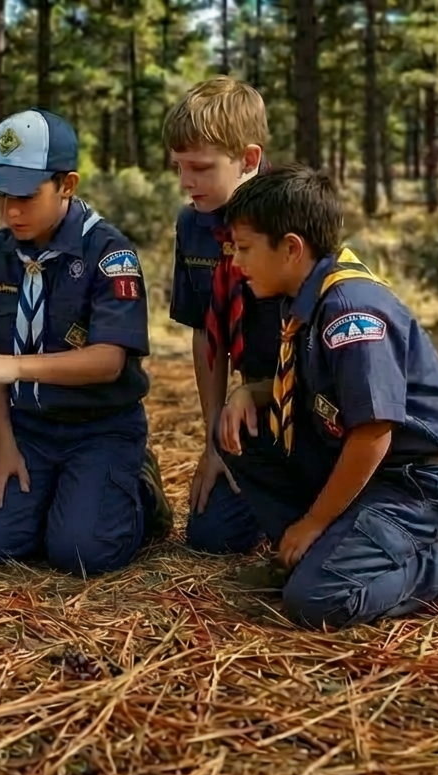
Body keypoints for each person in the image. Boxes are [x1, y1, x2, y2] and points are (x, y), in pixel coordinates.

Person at [214, 164, 438, 629]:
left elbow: (374, 433)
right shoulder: (304, 292)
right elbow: (314, 390)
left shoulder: (350, 311)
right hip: (360, 462)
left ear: (291, 249)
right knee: (242, 434)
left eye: (245, 249)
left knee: (319, 600)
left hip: (416, 478)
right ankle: (312, 556)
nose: (236, 264)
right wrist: (251, 392)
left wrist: (315, 520)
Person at [0, 108, 174, 577]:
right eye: (0, 196)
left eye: (26, 197)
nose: (11, 210)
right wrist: (3, 445)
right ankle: (61, 498)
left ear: (67, 185)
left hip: (100, 428)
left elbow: (109, 361)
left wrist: (17, 366)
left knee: (81, 553)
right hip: (29, 430)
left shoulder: (109, 253)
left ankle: (137, 491)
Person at [163, 75, 282, 555]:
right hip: (244, 411)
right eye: (178, 167)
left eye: (200, 167)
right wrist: (214, 440)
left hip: (306, 402)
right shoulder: (194, 224)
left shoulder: (289, 218)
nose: (186, 182)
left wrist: (257, 391)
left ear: (248, 160)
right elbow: (203, 335)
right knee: (211, 539)